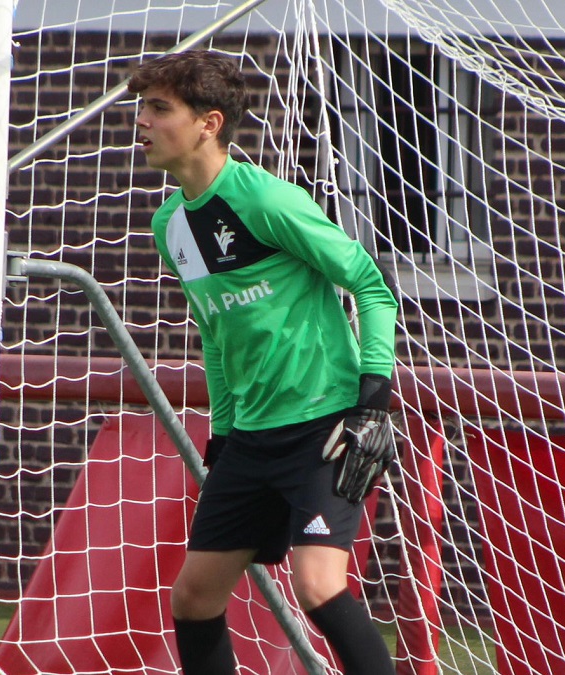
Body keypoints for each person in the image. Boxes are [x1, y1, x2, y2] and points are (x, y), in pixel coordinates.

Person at [128, 49, 398, 675]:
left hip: (324, 426)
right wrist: (223, 435)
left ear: (208, 123)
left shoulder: (268, 200)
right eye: (141, 107)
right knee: (194, 597)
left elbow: (371, 284)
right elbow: (215, 334)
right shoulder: (169, 225)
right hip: (249, 439)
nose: (141, 122)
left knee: (318, 586)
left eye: (158, 109)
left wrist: (372, 398)